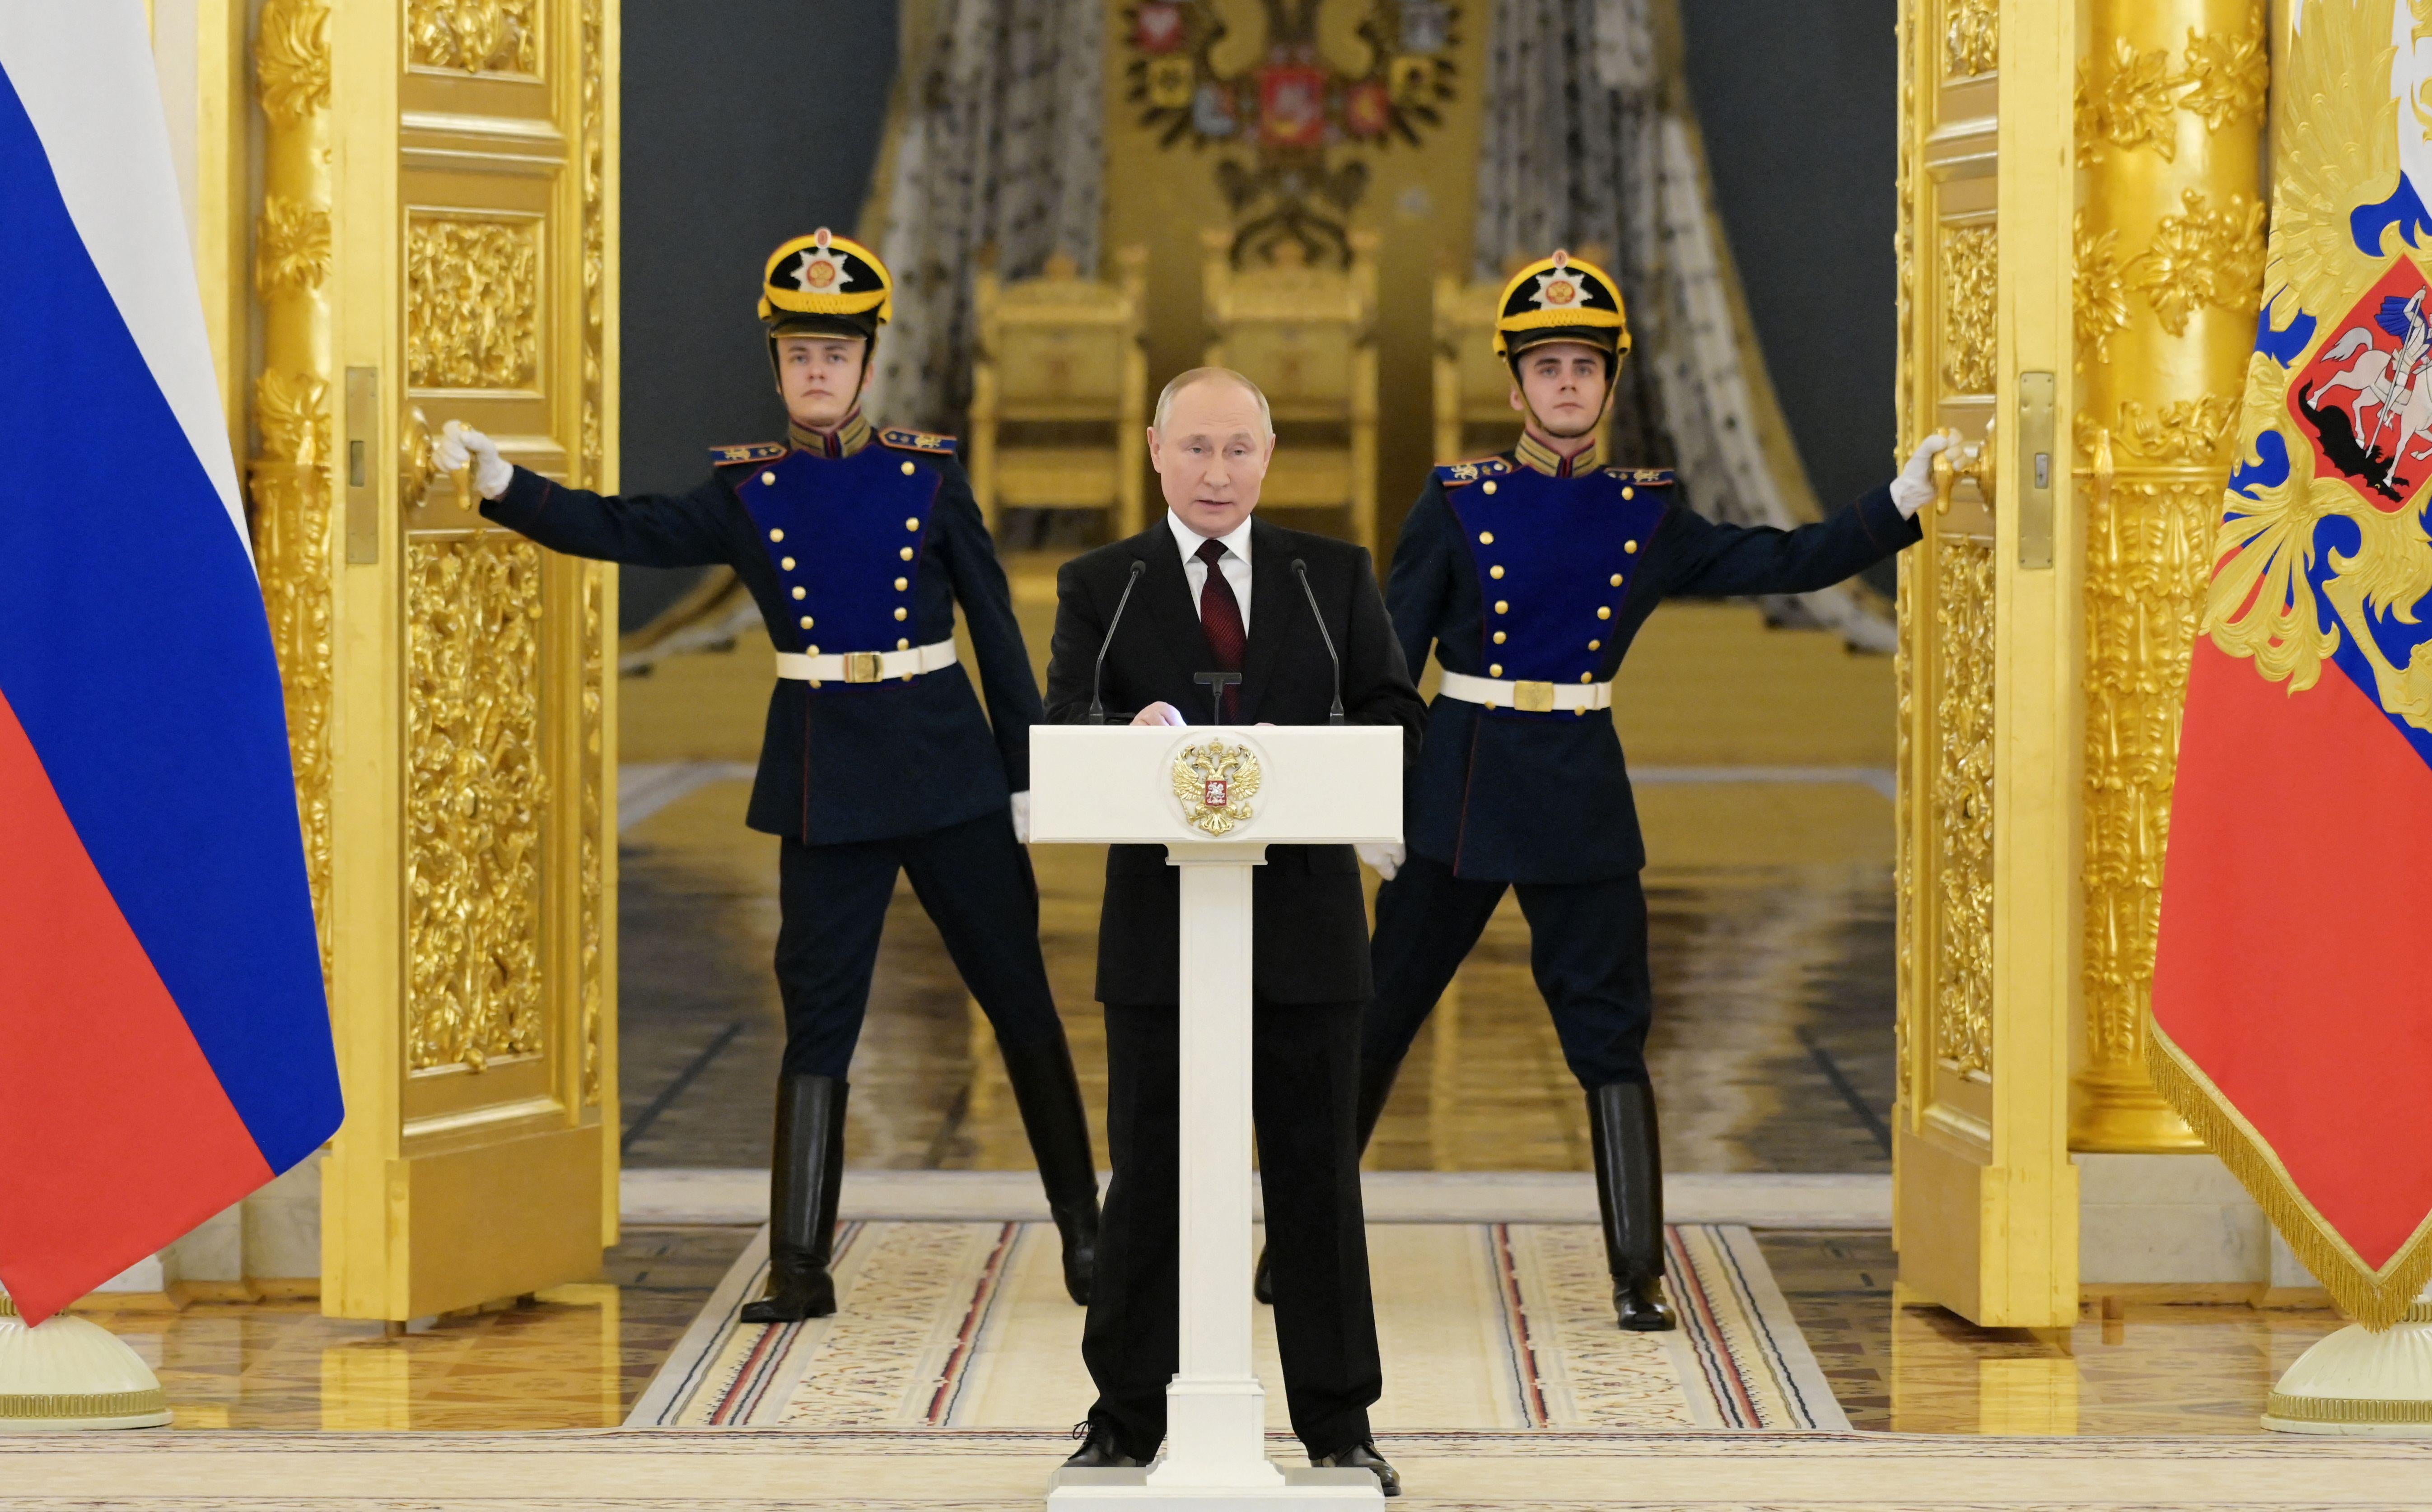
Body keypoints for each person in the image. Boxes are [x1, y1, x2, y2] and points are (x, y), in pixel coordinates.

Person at [1252, 250, 1944, 1331]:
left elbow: (1782, 559)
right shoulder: (1455, 500)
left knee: (1610, 1036)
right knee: (1375, 1017)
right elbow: (1385, 659)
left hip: (1576, 794)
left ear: (1610, 381)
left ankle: (1636, 1274)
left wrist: (1894, 507)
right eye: (1546, 366)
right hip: (1461, 787)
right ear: (1513, 383)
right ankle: (1293, 1250)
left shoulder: (1647, 511)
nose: (1565, 384)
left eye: (1583, 365)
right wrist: (1370, 796)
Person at [432, 229, 1100, 1322]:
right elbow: (627, 529)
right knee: (818, 1021)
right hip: (824, 777)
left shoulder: (929, 476)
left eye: (836, 355)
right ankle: (798, 1263)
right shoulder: (747, 490)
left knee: (1019, 999)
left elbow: (994, 626)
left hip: (946, 768)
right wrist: (508, 486)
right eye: (799, 355)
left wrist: (1028, 771)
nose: (818, 373)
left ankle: (1085, 1231)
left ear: (869, 362)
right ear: (778, 366)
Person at [1046, 368, 1424, 1497]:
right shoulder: (1101, 584)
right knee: (1150, 1177)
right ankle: (1121, 1417)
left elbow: (1395, 715)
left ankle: (1337, 1424)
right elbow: (1064, 723)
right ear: (1154, 450)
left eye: (1239, 451)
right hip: (1161, 938)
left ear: (1269, 459)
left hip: (1306, 933)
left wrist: (1309, 748)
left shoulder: (1333, 578)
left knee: (1315, 1178)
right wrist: (1131, 728)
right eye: (1196, 449)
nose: (1217, 473)